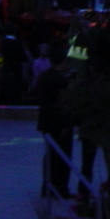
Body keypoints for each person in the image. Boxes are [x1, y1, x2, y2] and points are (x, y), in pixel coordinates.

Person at [30, 51, 76, 199]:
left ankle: (47, 187)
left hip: (46, 122)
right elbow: (61, 103)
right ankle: (60, 188)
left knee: (50, 155)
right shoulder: (60, 81)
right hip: (59, 123)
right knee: (61, 157)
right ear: (63, 63)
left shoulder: (45, 76)